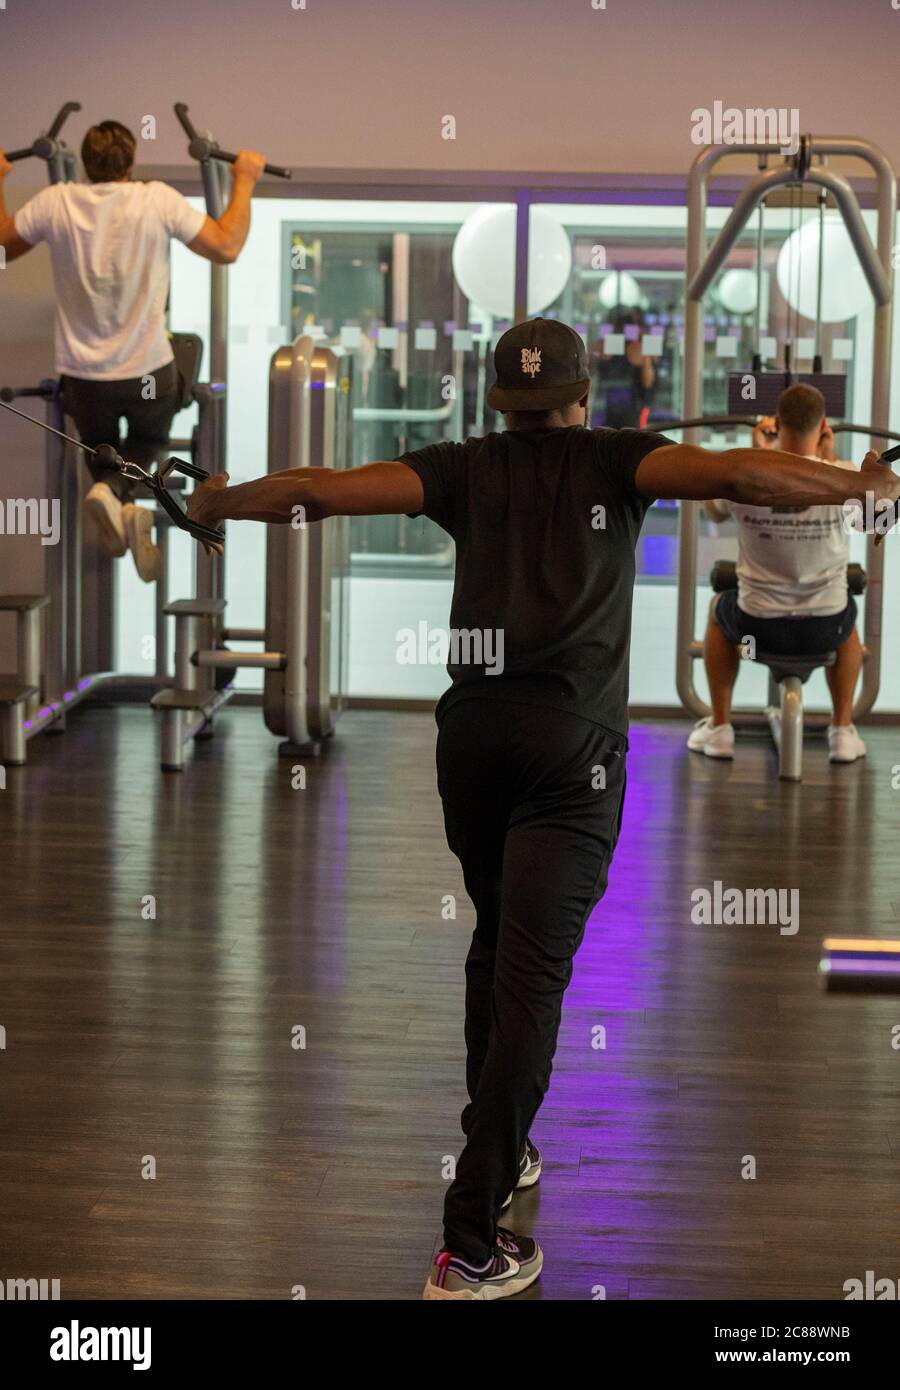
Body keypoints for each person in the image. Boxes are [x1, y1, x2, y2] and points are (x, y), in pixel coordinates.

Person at [186, 317, 899, 1299]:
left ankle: (503, 1146)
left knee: (497, 943)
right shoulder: (620, 459)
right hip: (571, 755)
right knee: (530, 976)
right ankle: (469, 1245)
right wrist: (867, 486)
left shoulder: (462, 466)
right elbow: (749, 474)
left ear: (495, 400)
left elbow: (317, 491)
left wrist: (220, 498)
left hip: (471, 740)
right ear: (583, 394)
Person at [0, 121, 266, 580]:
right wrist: (244, 179)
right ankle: (118, 498)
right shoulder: (155, 198)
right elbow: (226, 246)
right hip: (147, 373)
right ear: (132, 162)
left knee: (99, 449)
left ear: (85, 163)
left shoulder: (56, 200)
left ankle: (112, 495)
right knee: (148, 441)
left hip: (83, 379)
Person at [689, 384, 866, 764]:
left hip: (757, 627)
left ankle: (720, 729)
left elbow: (713, 511)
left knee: (720, 605)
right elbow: (857, 512)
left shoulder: (746, 474)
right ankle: (843, 731)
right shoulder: (845, 475)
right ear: (823, 426)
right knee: (848, 615)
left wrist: (758, 454)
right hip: (825, 627)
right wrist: (828, 457)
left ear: (777, 422)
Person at [592, 306, 655, 428]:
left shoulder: (604, 345)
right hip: (630, 407)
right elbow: (648, 381)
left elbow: (592, 370)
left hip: (605, 406)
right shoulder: (637, 348)